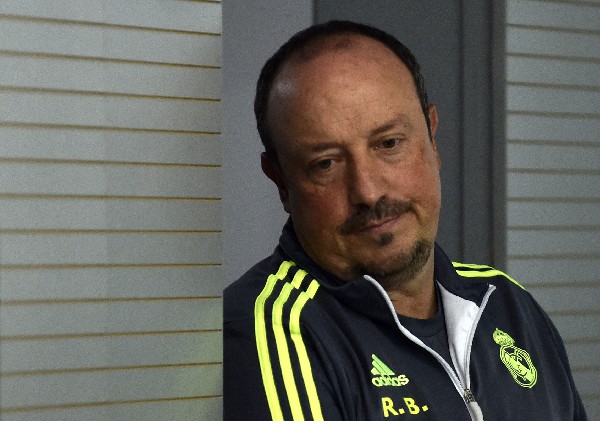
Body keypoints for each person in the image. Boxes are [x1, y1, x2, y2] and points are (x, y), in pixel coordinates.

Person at [223, 20, 587, 420]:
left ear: (433, 138)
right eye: (325, 163)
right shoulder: (267, 332)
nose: (368, 191)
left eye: (389, 143)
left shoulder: (508, 305)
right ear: (281, 183)